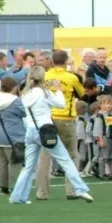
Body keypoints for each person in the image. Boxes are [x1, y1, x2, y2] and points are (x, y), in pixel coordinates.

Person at [9, 66, 93, 204]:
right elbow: (61, 104)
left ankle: (17, 196)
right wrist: (58, 89)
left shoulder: (25, 94)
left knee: (29, 166)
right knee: (65, 160)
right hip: (45, 130)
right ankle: (80, 188)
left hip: (30, 131)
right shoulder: (45, 93)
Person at [35, 50, 85, 201]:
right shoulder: (71, 77)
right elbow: (81, 93)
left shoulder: (46, 76)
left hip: (47, 118)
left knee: (45, 156)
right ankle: (72, 191)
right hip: (65, 119)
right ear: (66, 61)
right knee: (70, 155)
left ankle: (41, 193)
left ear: (52, 60)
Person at [0, 76, 26, 195]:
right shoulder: (15, 100)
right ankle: (15, 187)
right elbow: (24, 112)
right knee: (15, 162)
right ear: (15, 87)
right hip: (13, 136)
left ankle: (3, 187)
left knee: (2, 162)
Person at [94, 95, 112, 179]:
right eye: (107, 104)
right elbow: (98, 128)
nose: (109, 106)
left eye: (111, 104)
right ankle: (102, 173)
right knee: (103, 157)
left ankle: (111, 173)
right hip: (104, 137)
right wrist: (100, 140)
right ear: (102, 105)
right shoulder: (100, 115)